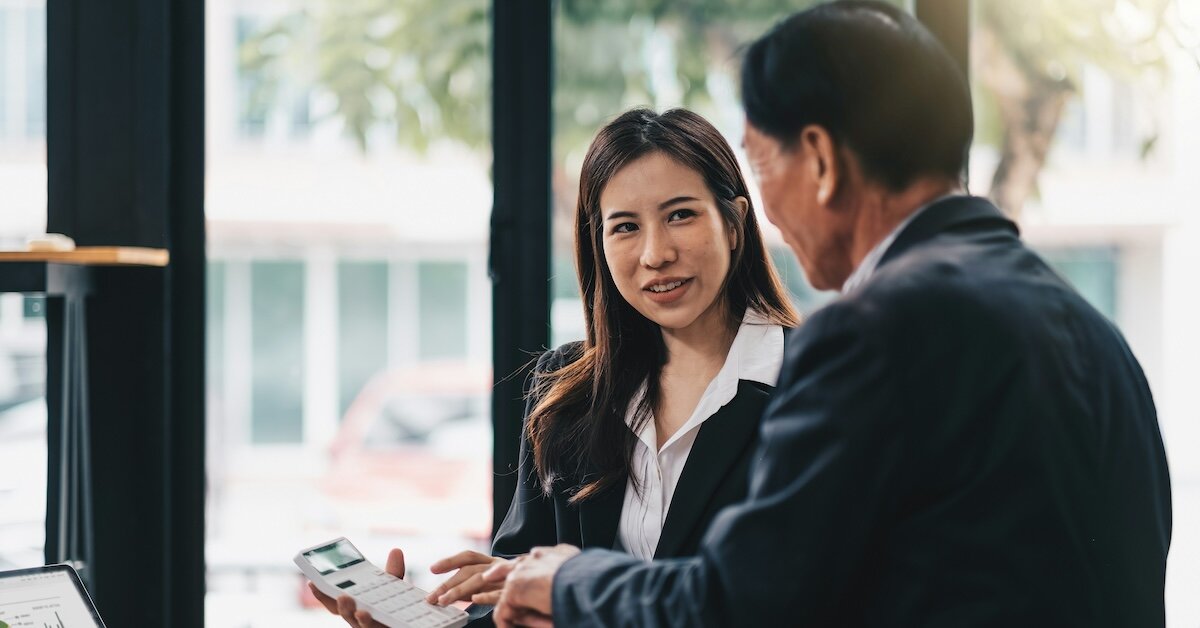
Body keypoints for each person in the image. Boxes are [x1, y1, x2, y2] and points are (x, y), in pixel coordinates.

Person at [485, 2, 1173, 627]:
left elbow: (739, 602)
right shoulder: (1089, 330)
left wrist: (572, 580)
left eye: (760, 163)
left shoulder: (874, 332)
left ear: (819, 160)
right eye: (624, 228)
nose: (772, 214)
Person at [312, 107, 800, 627]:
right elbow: (517, 603)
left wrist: (578, 595)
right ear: (599, 244)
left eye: (681, 214)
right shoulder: (568, 391)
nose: (656, 254)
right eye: (626, 227)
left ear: (734, 222)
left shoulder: (814, 385)